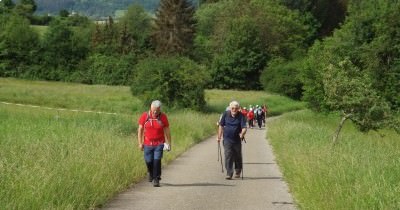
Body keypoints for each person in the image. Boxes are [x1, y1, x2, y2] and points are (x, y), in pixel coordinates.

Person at [137, 100, 171, 187]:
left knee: (157, 161)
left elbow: (167, 130)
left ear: (160, 109)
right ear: (150, 108)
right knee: (148, 161)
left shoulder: (163, 117)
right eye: (153, 110)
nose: (155, 112)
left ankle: (156, 179)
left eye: (157, 110)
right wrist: (140, 143)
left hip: (159, 144)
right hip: (147, 144)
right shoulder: (145, 116)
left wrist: (169, 143)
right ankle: (151, 173)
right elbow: (140, 130)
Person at [217, 101, 247, 179]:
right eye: (233, 108)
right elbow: (221, 125)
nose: (234, 109)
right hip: (227, 139)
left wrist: (242, 134)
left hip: (237, 139)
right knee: (228, 155)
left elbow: (244, 128)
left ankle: (238, 170)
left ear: (238, 109)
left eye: (236, 108)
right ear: (230, 108)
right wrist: (219, 137)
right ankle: (229, 173)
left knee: (237, 155)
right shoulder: (225, 114)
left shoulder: (241, 116)